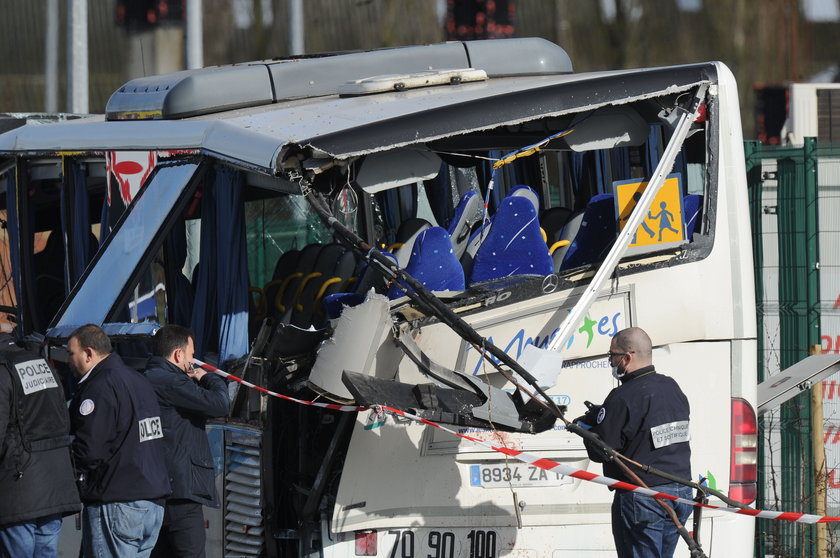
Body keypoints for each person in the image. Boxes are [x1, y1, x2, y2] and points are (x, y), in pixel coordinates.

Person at [580, 327, 692, 558]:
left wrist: (585, 429)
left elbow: (602, 451)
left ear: (627, 357)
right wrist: (606, 415)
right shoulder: (671, 386)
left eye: (612, 355)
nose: (611, 361)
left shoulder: (623, 396)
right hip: (680, 493)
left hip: (643, 498)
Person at [67, 324, 170, 558]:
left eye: (71, 353)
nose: (69, 360)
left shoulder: (100, 386)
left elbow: (89, 450)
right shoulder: (139, 381)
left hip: (118, 501)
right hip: (151, 501)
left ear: (89, 353)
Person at [144, 325, 229, 558]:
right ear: (178, 355)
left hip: (153, 488)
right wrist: (207, 376)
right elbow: (220, 404)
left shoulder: (144, 378)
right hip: (180, 490)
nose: (193, 361)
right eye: (191, 355)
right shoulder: (173, 382)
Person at [0, 333, 81, 557]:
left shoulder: (3, 370)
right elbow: (64, 421)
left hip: (19, 487)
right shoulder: (42, 364)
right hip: (55, 481)